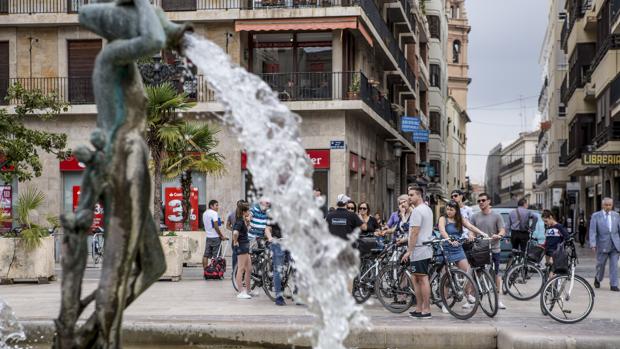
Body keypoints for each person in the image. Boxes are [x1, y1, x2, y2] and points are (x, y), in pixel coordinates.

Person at [470, 192, 507, 310]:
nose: (481, 202)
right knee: (476, 274)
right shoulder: (475, 216)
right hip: (479, 249)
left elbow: (502, 230)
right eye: (479, 201)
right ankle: (473, 298)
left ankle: (498, 300)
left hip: (494, 249)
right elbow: (471, 230)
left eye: (483, 200)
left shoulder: (497, 216)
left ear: (489, 201)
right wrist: (471, 236)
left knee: (496, 274)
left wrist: (498, 235)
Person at [401, 187, 434, 320]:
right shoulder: (427, 209)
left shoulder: (417, 211)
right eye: (409, 195)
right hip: (424, 248)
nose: (409, 197)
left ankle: (426, 310)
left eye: (411, 195)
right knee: (417, 278)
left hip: (419, 249)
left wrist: (409, 251)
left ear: (419, 196)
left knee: (422, 278)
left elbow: (414, 232)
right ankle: (419, 308)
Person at [589, 197, 620, 291]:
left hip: (615, 244)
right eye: (606, 205)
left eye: (610, 205)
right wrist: (593, 244)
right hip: (602, 244)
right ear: (603, 205)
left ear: (612, 205)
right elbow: (593, 231)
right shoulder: (596, 216)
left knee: (614, 265)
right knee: (601, 265)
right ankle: (598, 278)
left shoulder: (616, 215)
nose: (608, 207)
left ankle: (614, 285)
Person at [265, 211, 286, 305]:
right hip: (278, 242)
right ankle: (279, 297)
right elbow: (267, 228)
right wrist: (270, 237)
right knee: (278, 269)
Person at [233, 203, 252, 299]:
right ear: (244, 212)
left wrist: (248, 222)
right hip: (242, 246)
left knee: (249, 269)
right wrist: (235, 241)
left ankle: (248, 290)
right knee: (241, 269)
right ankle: (240, 291)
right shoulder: (239, 221)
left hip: (245, 246)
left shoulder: (243, 220)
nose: (249, 212)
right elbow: (235, 232)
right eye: (248, 210)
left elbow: (245, 231)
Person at [202, 200, 228, 270]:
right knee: (217, 255)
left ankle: (206, 271)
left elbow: (210, 224)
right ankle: (216, 271)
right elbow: (215, 226)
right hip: (215, 237)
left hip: (208, 237)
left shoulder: (205, 213)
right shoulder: (214, 213)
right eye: (216, 205)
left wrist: (220, 222)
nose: (218, 207)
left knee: (206, 255)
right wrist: (221, 236)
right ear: (211, 206)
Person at [227, 200, 246, 272]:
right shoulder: (235, 215)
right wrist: (235, 230)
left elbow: (227, 226)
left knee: (235, 256)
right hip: (239, 239)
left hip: (235, 239)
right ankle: (238, 273)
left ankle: (235, 273)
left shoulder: (231, 214)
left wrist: (234, 230)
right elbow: (227, 226)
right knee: (239, 256)